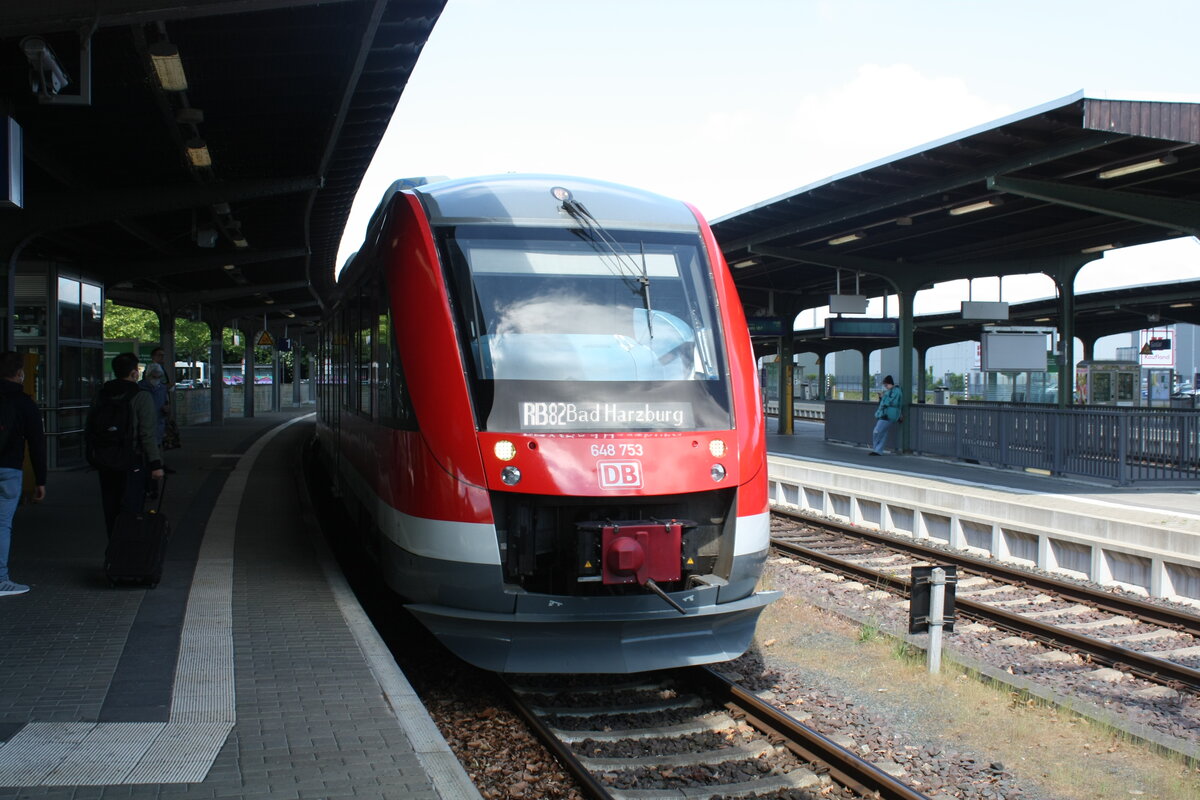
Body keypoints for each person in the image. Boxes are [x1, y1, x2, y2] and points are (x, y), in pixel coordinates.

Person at [87, 353, 164, 538]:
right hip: (132, 460)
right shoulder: (141, 396)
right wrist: (155, 463)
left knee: (110, 508)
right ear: (134, 373)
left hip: (105, 459)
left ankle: (112, 552)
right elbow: (147, 433)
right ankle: (127, 555)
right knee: (131, 508)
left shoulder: (101, 395)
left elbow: (90, 426)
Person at [0, 352, 46, 596]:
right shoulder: (24, 402)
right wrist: (41, 480)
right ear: (19, 374)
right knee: (2, 525)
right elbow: (37, 443)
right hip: (9, 470)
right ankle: (0, 580)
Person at [138, 362, 169, 450]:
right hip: (145, 422)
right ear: (148, 375)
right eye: (154, 377)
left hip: (159, 421)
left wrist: (166, 409)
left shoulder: (162, 388)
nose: (156, 379)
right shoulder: (140, 388)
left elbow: (166, 402)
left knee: (157, 445)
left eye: (159, 377)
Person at [870, 375, 904, 456]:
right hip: (886, 414)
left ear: (890, 383)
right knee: (883, 433)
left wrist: (883, 397)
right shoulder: (889, 392)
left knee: (877, 431)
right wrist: (882, 397)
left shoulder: (896, 391)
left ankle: (876, 449)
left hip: (888, 415)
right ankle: (878, 451)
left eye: (886, 385)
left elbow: (891, 402)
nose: (885, 387)